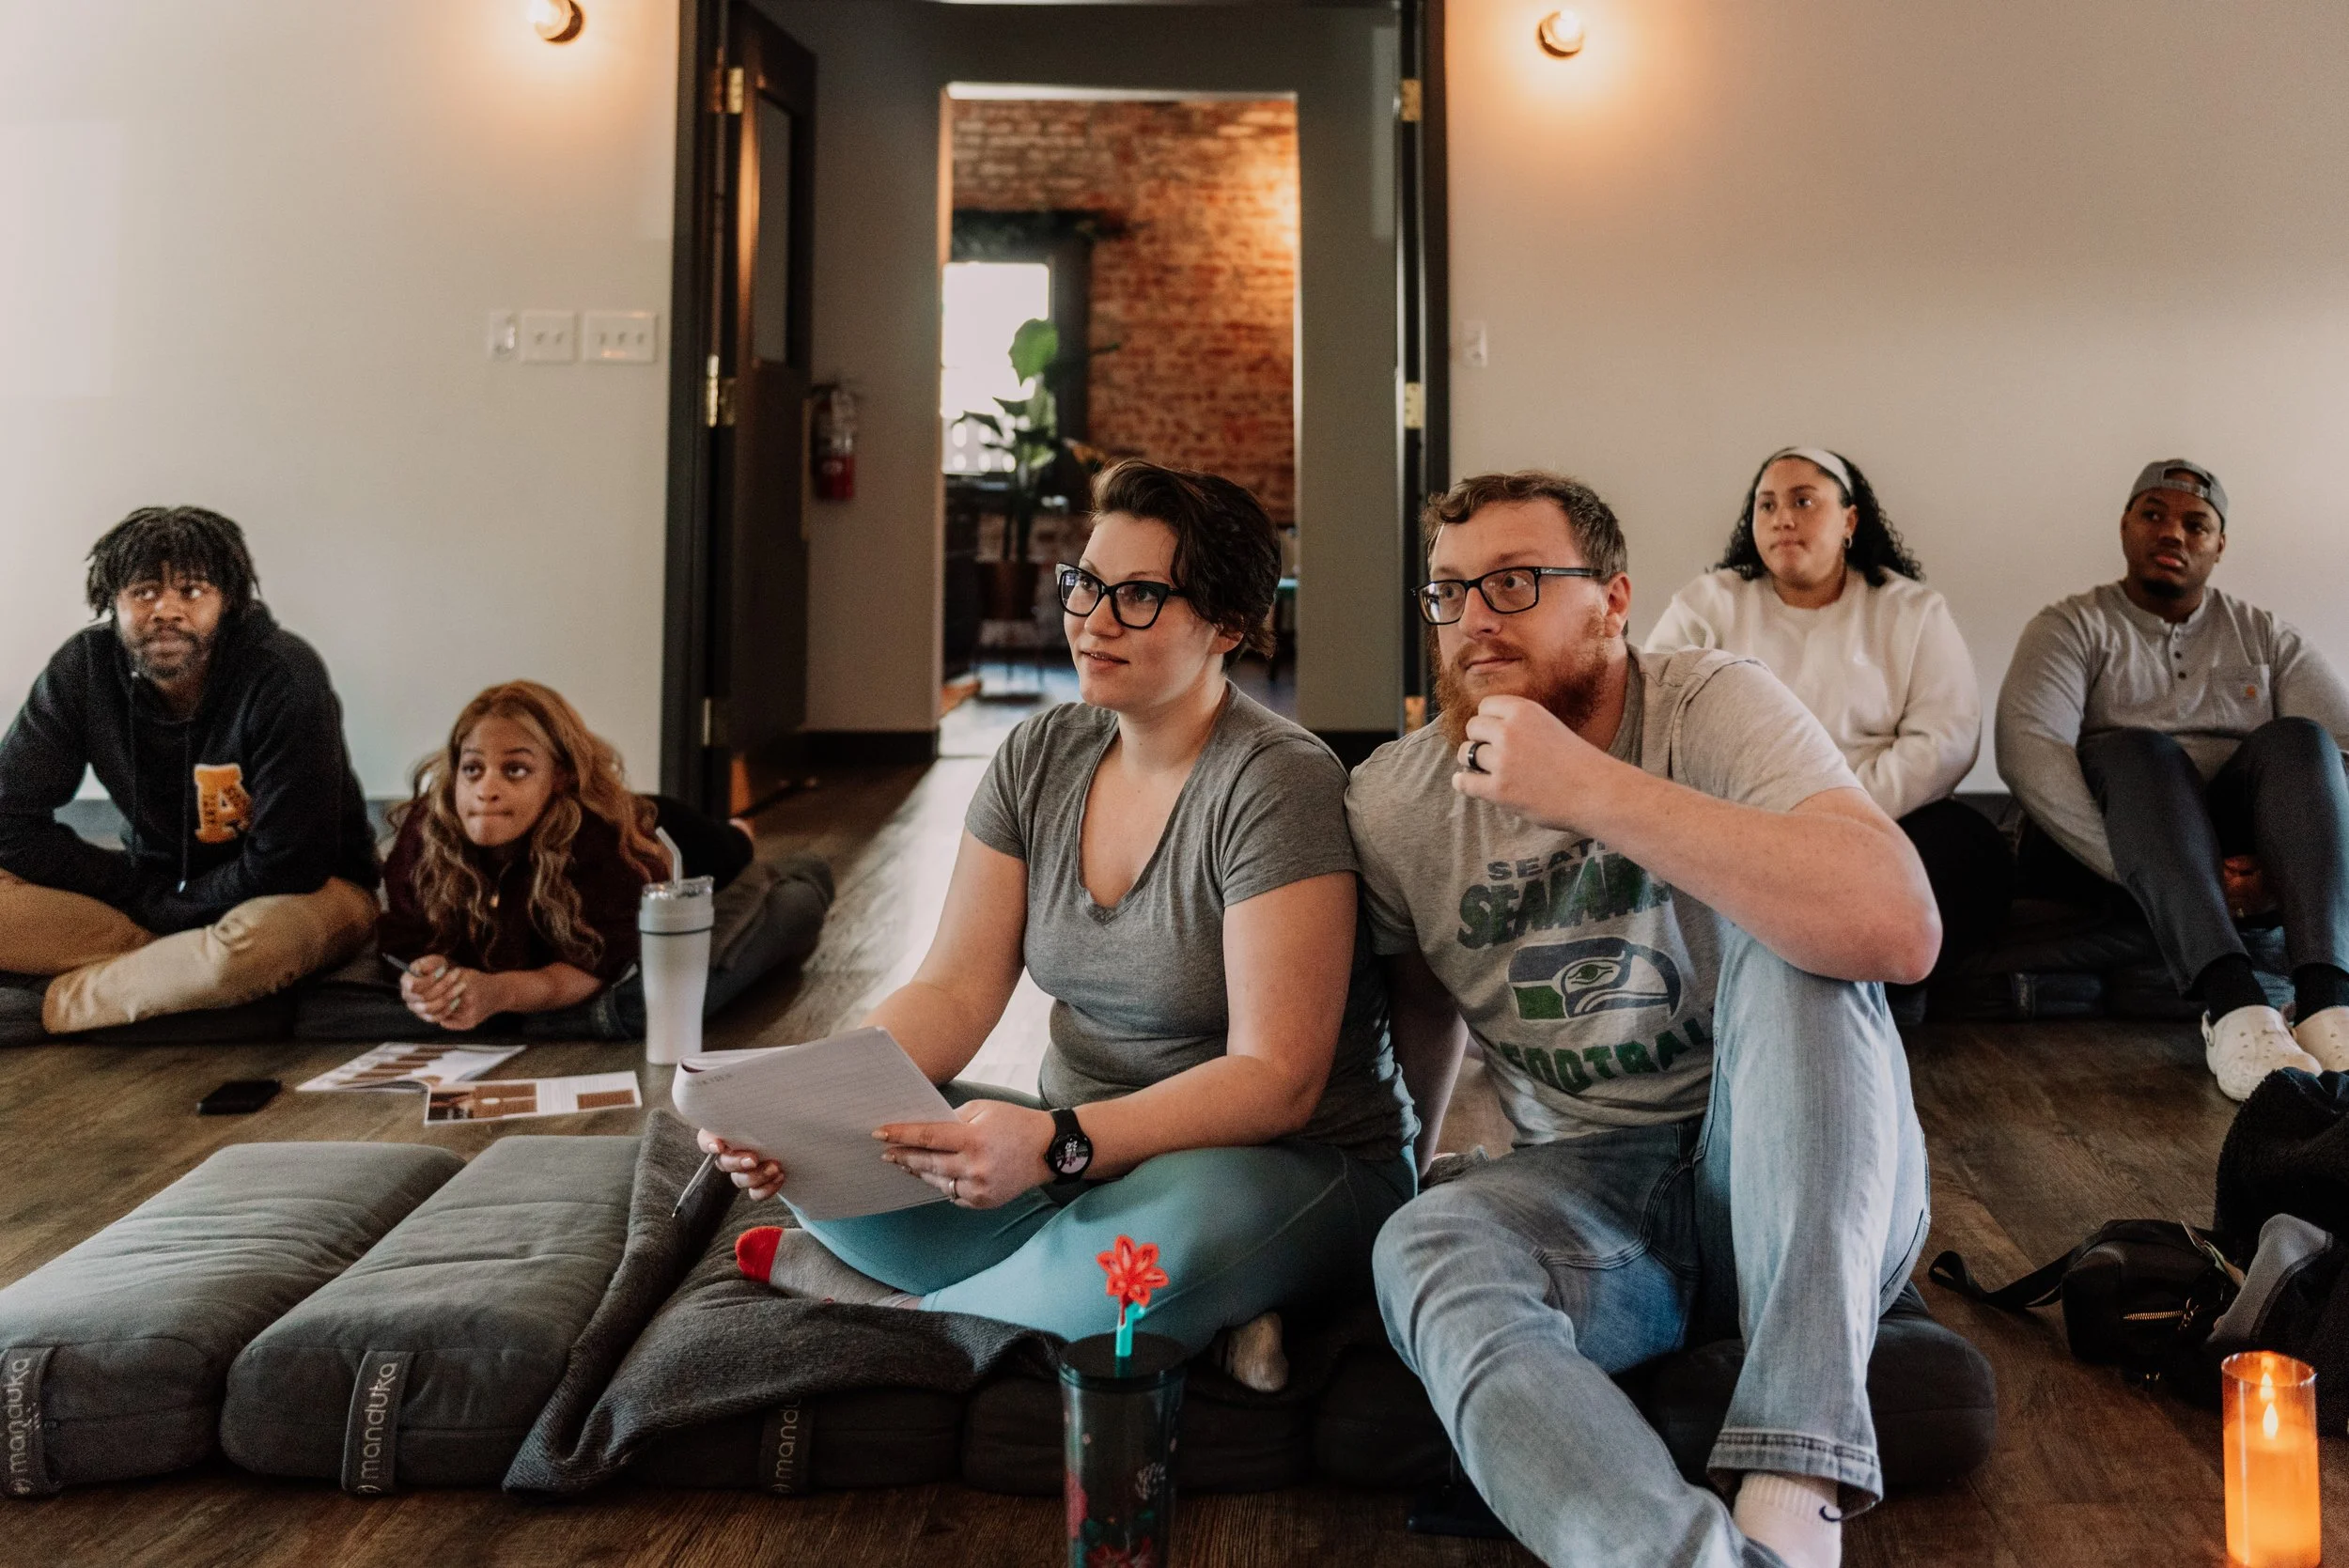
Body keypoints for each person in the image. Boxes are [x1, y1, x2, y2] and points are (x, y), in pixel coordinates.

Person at [700, 459, 1414, 1390]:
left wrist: (1051, 1144)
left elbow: (1275, 1081)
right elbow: (953, 990)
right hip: (1075, 1158)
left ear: (1228, 627)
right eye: (1084, 583)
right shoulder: (1039, 753)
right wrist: (812, 1101)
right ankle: (1129, 1304)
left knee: (1176, 1233)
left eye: (1140, 595)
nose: (1092, 619)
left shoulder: (1278, 783)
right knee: (846, 1162)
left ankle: (908, 1314)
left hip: (1276, 1165)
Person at [1351, 471, 1937, 1568]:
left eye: (1515, 582)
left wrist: (1585, 787)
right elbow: (1422, 1002)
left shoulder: (1712, 702)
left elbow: (1897, 927)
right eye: (1447, 592)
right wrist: (1420, 1167)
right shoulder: (1396, 802)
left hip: (1789, 1177)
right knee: (1422, 1245)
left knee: (1802, 945)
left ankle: (1794, 1476)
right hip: (1594, 1197)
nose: (1474, 616)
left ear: (1614, 602)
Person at [1998, 458, 2349, 1099]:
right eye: (2154, 515)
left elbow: (2342, 750)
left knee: (2302, 740)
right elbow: (2029, 756)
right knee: (2140, 750)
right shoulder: (2070, 626)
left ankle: (2327, 1003)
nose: (2173, 534)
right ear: (2126, 526)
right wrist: (2153, 868)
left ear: (2219, 544)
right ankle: (2234, 1004)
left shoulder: (2266, 636)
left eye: (2196, 523)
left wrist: (2273, 871)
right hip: (2110, 834)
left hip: (2228, 843)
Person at [0, 506, 380, 1033]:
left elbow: (293, 860)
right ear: (112, 602)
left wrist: (177, 907)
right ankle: (167, 973)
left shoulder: (284, 676)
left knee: (242, 954)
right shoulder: (83, 670)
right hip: (153, 898)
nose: (166, 610)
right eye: (144, 591)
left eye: (193, 591)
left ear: (227, 602)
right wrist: (135, 890)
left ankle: (53, 1006)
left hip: (303, 893)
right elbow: (8, 817)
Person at [1648, 446, 2009, 968]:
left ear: (1850, 520)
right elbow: (1660, 719)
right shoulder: (1707, 605)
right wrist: (1777, 831)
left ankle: (1867, 978)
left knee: (1972, 852)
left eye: (1803, 501)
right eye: (1766, 505)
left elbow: (1944, 741)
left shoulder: (1911, 611)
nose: (1783, 519)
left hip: (1879, 818)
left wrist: (1837, 821)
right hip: (1742, 823)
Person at [378, 679, 754, 1031]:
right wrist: (429, 975)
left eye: (515, 770)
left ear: (560, 776)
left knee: (732, 847)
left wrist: (500, 992)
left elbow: (598, 965)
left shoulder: (604, 839)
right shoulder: (428, 829)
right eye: (473, 769)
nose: (486, 789)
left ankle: (741, 830)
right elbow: (406, 938)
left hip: (667, 831)